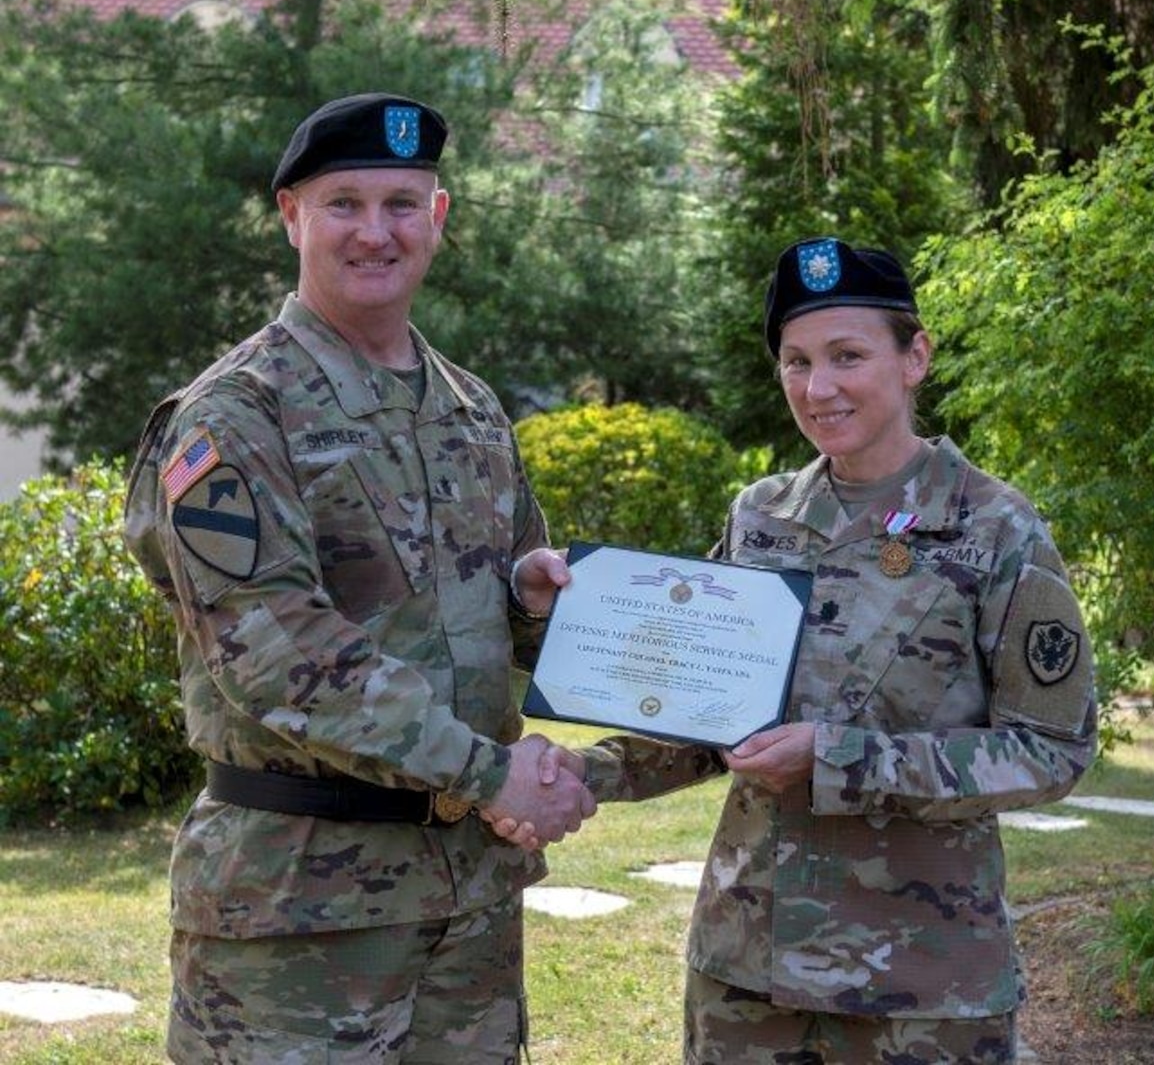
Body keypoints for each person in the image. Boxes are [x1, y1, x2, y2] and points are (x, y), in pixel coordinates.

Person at [504, 237, 1098, 1064]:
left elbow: (1051, 749)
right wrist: (584, 771)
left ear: (913, 356)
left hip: (923, 984)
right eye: (795, 361)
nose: (818, 389)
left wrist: (840, 760)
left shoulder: (995, 528)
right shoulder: (762, 516)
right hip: (746, 968)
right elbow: (703, 710)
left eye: (846, 356)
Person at [123, 91, 596, 1064]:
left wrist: (534, 600)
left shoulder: (470, 410)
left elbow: (494, 614)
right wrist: (491, 772)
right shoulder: (231, 419)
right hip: (297, 921)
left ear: (440, 218)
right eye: (344, 203)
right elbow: (277, 655)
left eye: (401, 203)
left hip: (466, 909)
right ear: (291, 215)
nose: (374, 232)